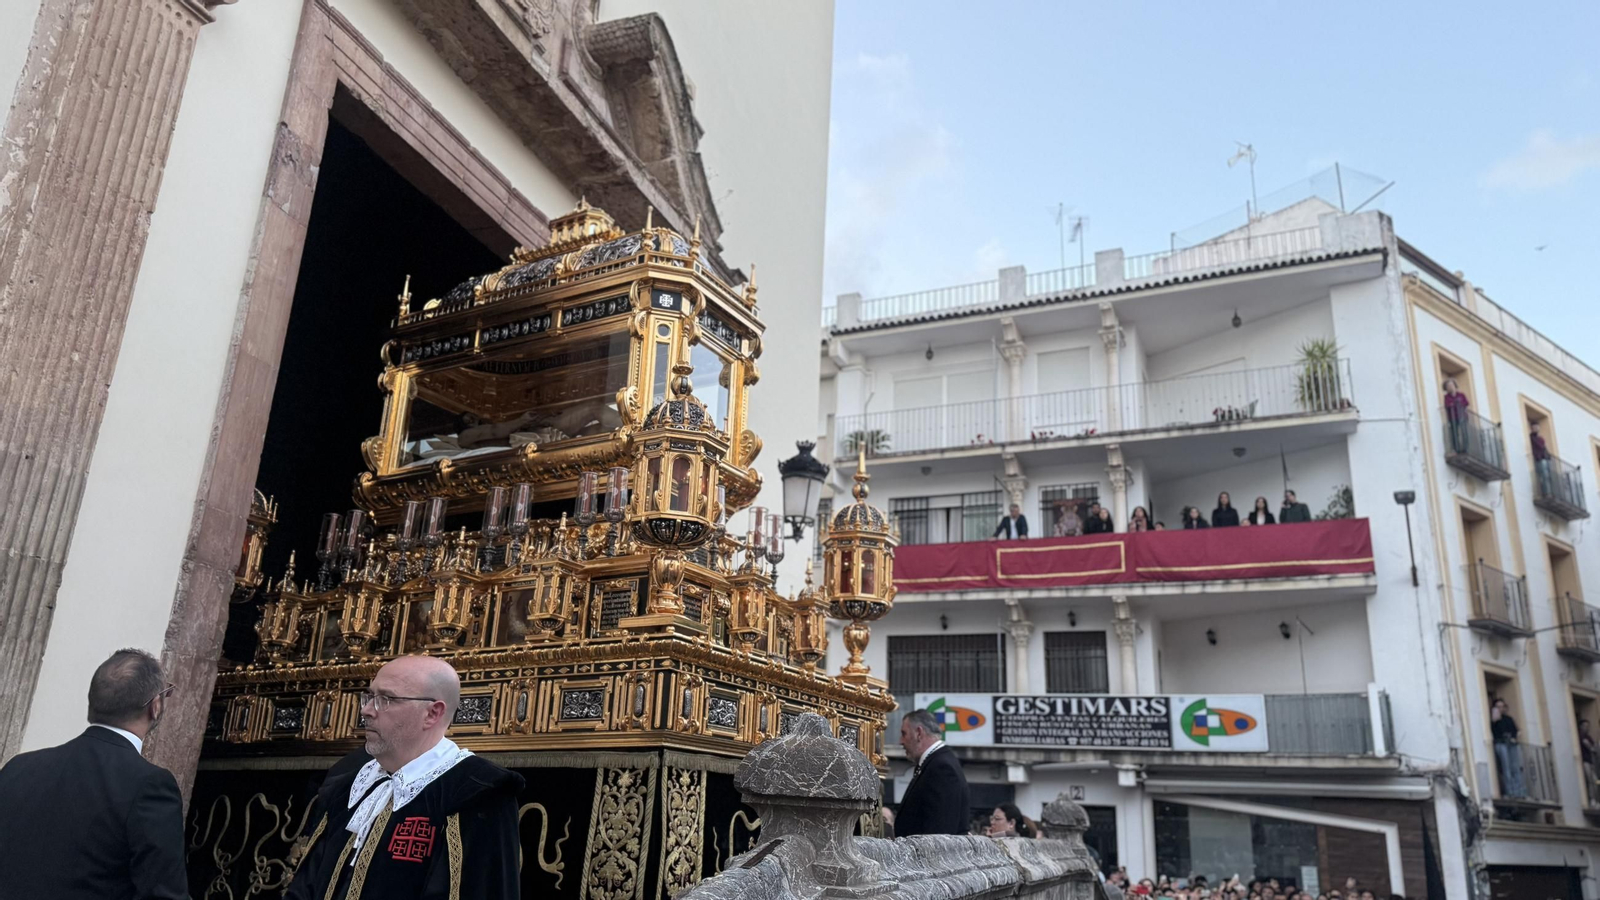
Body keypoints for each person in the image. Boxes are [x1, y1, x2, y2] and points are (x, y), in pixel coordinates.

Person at [286, 655, 523, 899]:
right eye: (368, 697)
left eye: (385, 699)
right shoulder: (348, 784)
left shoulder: (477, 792)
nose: (366, 710)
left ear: (432, 713)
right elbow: (305, 887)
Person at [0, 648, 188, 900]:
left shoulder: (19, 768)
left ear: (94, 702)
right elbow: (164, 894)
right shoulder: (150, 785)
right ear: (155, 706)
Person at [889, 709, 970, 837]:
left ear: (919, 733)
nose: (901, 741)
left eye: (904, 734)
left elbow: (939, 834)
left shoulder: (941, 768)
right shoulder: (933, 763)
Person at [1489, 697, 1525, 798]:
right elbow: (1494, 730)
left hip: (1511, 744)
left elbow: (1516, 731)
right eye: (1498, 707)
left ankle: (1519, 791)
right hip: (1501, 744)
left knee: (1515, 768)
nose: (1501, 709)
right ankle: (1510, 791)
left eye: (1502, 706)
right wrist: (1495, 717)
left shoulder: (1509, 719)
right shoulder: (1494, 720)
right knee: (1506, 768)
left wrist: (1514, 737)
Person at [1443, 378, 1471, 454]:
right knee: (1455, 434)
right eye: (1448, 386)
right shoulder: (1447, 397)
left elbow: (1466, 403)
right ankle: (1456, 449)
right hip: (1453, 418)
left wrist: (1458, 404)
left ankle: (1465, 448)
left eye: (1451, 385)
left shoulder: (1461, 395)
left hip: (1462, 416)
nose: (1450, 387)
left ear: (1455, 385)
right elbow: (1447, 405)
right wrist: (1454, 403)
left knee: (1464, 433)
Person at [1530, 422, 1553, 497]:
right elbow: (1540, 446)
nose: (1536, 429)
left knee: (1547, 475)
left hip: (1543, 458)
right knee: (1544, 475)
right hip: (1539, 459)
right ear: (1532, 428)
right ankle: (1546, 492)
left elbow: (1543, 448)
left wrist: (1548, 456)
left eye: (1537, 427)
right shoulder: (1532, 437)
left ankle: (1549, 492)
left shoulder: (1540, 438)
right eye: (1535, 427)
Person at [1581, 719, 1599, 806]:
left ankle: (1595, 799)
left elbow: (1594, 747)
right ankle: (1592, 800)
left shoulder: (1588, 737)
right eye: (1585, 726)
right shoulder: (1581, 736)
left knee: (1595, 781)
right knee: (1591, 781)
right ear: (1581, 727)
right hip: (1586, 762)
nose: (1587, 728)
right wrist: (1593, 748)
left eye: (1588, 726)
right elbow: (1589, 746)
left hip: (1591, 762)